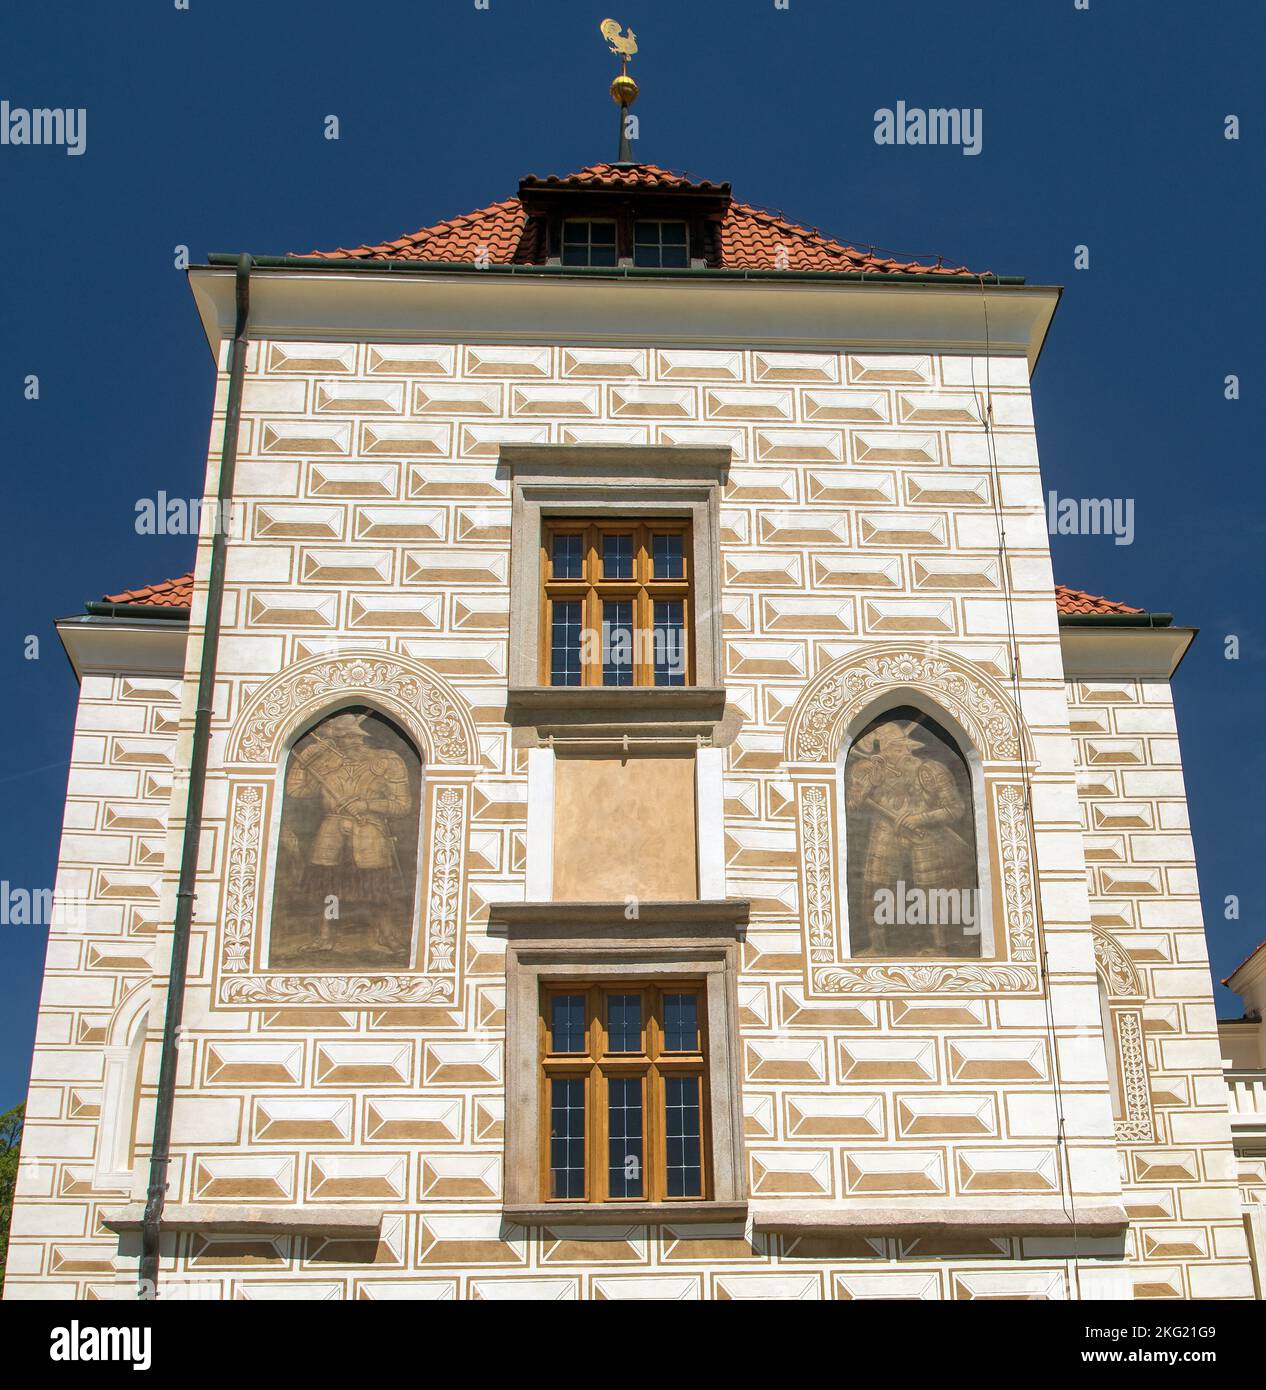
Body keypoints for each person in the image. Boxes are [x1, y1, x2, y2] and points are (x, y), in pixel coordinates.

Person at [283, 712, 413, 956]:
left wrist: (366, 804)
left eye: (349, 738)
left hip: (370, 833)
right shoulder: (324, 763)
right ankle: (325, 937)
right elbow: (296, 791)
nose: (346, 743)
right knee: (330, 890)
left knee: (378, 891)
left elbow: (402, 805)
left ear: (359, 736)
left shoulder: (387, 760)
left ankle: (387, 934)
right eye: (339, 739)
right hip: (330, 835)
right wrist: (306, 759)